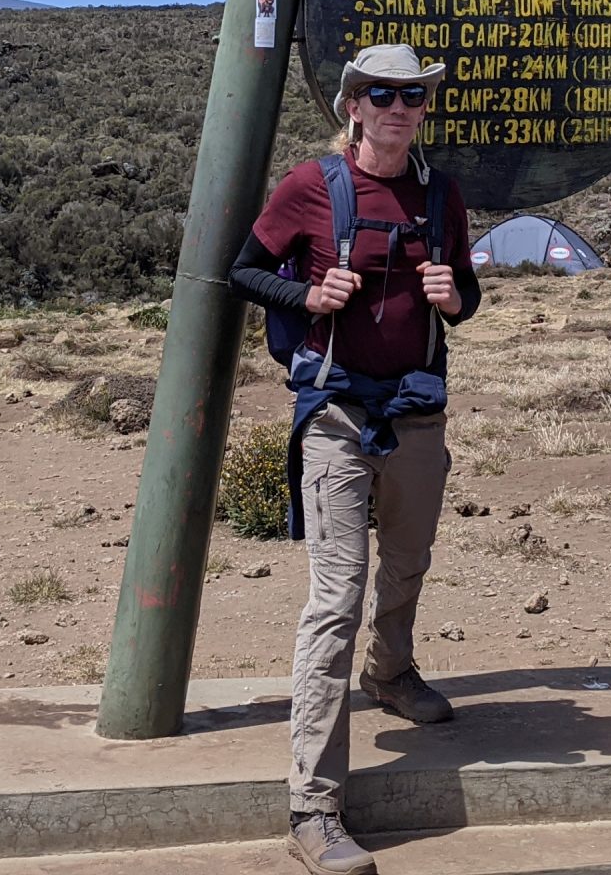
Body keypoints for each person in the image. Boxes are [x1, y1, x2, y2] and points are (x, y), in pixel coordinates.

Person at [230, 43, 481, 875]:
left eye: (413, 95)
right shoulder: (311, 185)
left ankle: (393, 671)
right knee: (335, 596)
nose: (400, 107)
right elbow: (243, 271)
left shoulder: (441, 194)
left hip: (416, 409)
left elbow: (465, 298)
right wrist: (306, 295)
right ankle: (314, 804)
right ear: (353, 105)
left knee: (408, 561)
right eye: (384, 95)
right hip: (336, 413)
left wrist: (459, 298)